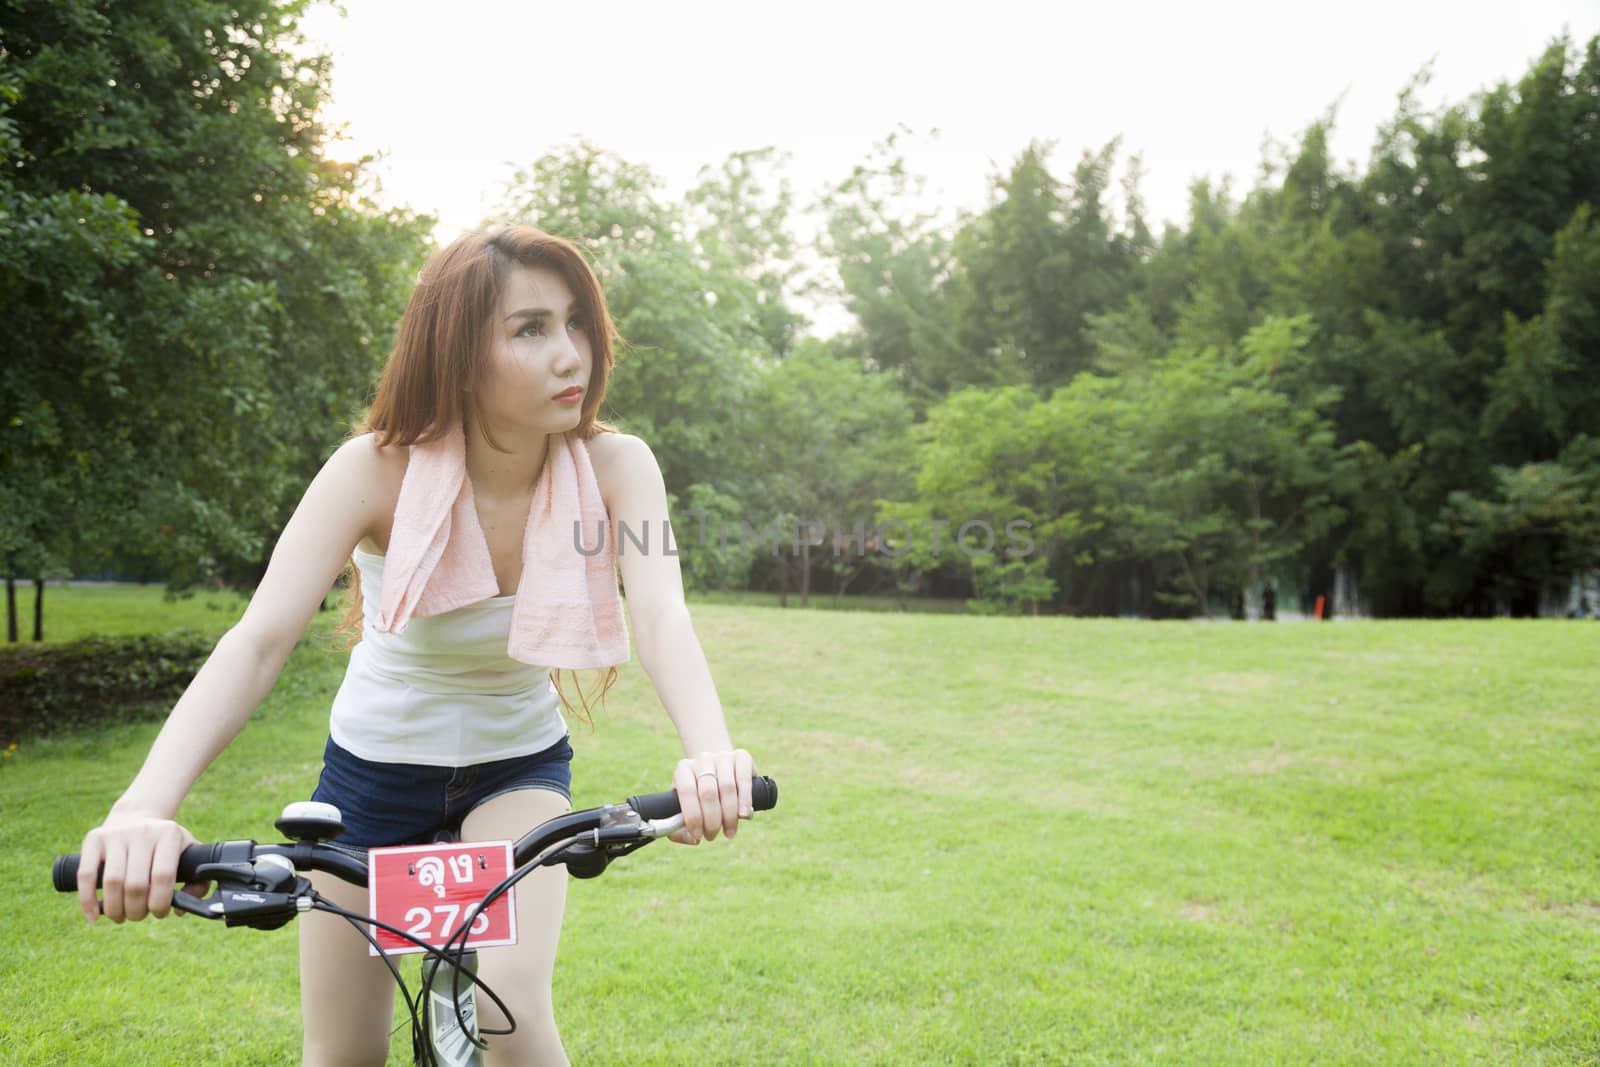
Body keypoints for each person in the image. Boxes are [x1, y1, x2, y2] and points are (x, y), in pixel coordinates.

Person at [74, 225, 758, 1066]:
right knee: (343, 1051)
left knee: (511, 1010)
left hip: (519, 765)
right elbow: (260, 640)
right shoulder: (373, 471)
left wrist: (709, 753)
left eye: (576, 321)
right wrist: (144, 806)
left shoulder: (621, 468)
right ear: (459, 355)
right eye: (531, 328)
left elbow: (661, 615)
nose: (571, 353)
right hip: (370, 776)